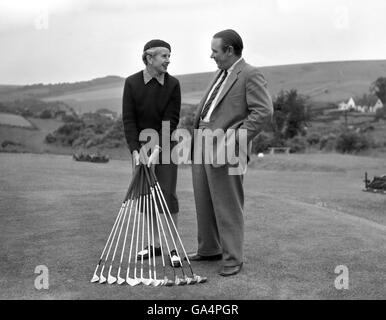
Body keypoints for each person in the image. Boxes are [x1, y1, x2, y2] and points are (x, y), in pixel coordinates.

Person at [187, 29, 273, 276]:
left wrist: (235, 140)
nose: (211, 55)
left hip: (227, 147)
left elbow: (263, 112)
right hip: (202, 143)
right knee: (204, 200)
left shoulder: (250, 74)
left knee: (227, 203)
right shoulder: (220, 73)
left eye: (215, 50)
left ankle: (233, 258)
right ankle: (209, 249)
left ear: (230, 50)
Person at [122, 39, 181, 267]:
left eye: (169, 55)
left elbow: (171, 120)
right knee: (147, 197)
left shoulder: (173, 84)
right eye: (164, 56)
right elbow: (129, 120)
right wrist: (136, 151)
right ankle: (154, 244)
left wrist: (157, 148)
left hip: (166, 146)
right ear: (149, 58)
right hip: (140, 148)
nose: (168, 60)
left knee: (167, 194)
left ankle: (173, 247)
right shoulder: (132, 83)